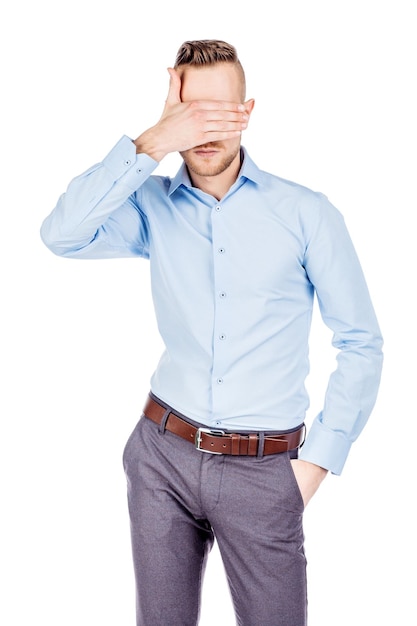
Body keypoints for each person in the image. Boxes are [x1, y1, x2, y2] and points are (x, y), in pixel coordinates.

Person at [40, 39, 383, 626]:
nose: (204, 130)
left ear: (247, 112)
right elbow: (61, 234)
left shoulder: (307, 214)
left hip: (266, 470)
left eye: (218, 112)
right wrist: (150, 142)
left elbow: (360, 342)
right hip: (161, 457)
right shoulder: (150, 206)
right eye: (190, 114)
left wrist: (319, 461)